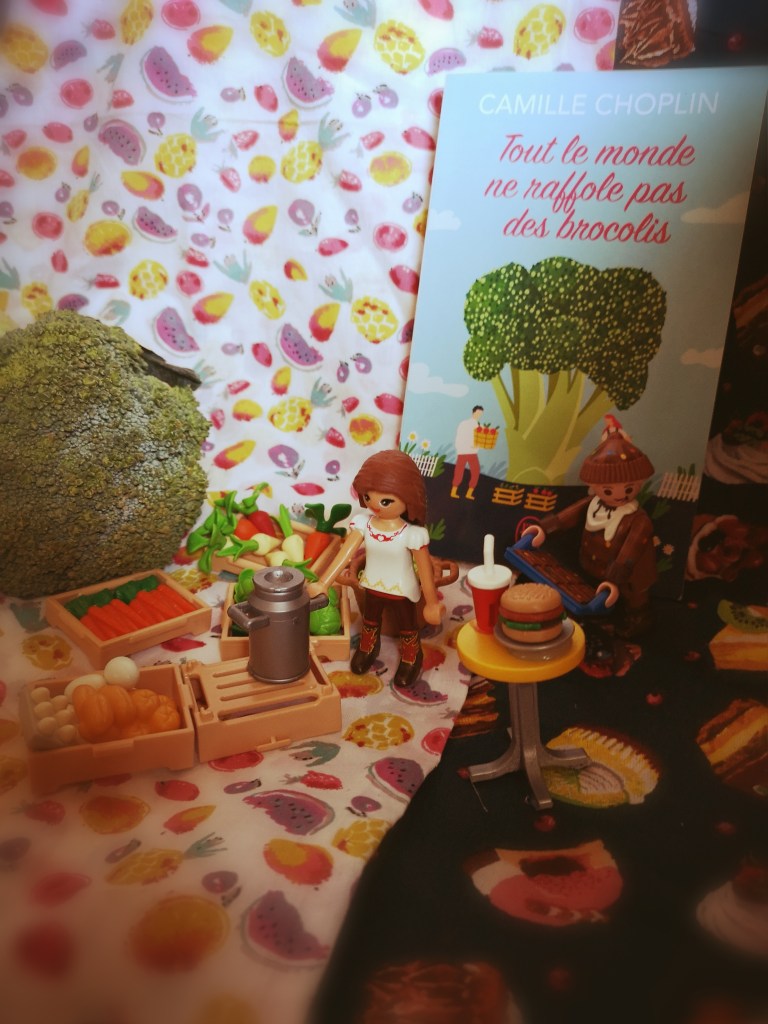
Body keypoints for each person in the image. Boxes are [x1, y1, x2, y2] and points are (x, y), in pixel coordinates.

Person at [311, 450, 445, 687]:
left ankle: (411, 656)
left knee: (408, 625)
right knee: (370, 620)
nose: (375, 505)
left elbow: (424, 569)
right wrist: (324, 582)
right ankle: (368, 647)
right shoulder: (364, 524)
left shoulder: (412, 534)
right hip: (372, 584)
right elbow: (346, 553)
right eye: (368, 497)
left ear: (408, 498)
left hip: (402, 589)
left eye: (385, 501)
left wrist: (432, 603)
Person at [523, 423, 658, 636]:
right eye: (608, 490)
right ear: (593, 486)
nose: (620, 495)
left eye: (629, 488)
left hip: (630, 574)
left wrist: (614, 580)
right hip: (595, 566)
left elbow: (628, 555)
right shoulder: (592, 504)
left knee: (634, 598)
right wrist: (543, 530)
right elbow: (565, 517)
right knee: (594, 593)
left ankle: (637, 619)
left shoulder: (639, 520)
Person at [451, 405, 483, 500]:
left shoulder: (479, 425)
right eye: (477, 413)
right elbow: (460, 436)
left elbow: (479, 439)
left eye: (480, 414)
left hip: (473, 452)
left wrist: (476, 446)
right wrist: (460, 448)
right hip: (463, 451)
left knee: (476, 471)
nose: (479, 415)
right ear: (473, 412)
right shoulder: (464, 423)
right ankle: (453, 491)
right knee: (459, 471)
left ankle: (469, 492)